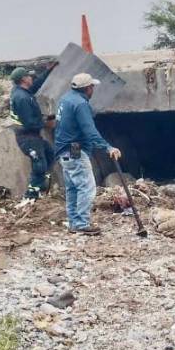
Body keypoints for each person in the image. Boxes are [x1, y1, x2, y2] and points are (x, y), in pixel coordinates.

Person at [54, 73, 121, 235]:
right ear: (87, 88)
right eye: (92, 87)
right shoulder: (81, 104)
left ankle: (74, 222)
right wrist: (108, 147)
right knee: (87, 187)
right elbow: (90, 130)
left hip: (64, 149)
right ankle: (82, 224)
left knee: (72, 188)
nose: (93, 90)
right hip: (74, 148)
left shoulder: (66, 99)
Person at [8, 67, 54, 200]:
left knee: (50, 154)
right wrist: (46, 123)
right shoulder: (22, 98)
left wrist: (48, 71)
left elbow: (35, 86)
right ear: (23, 79)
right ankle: (30, 196)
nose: (31, 78)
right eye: (29, 76)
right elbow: (29, 123)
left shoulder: (20, 91)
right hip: (28, 138)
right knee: (39, 165)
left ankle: (40, 186)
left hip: (32, 137)